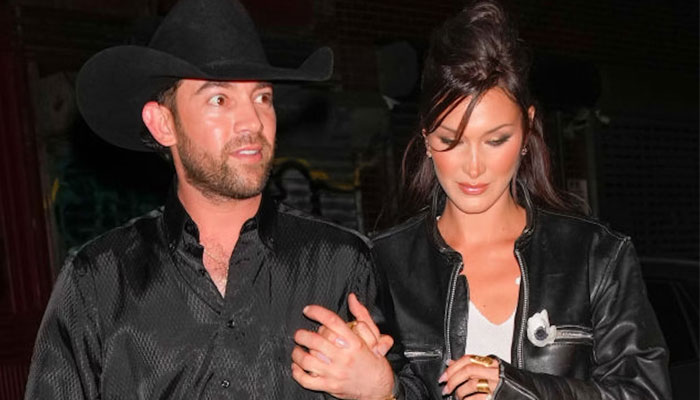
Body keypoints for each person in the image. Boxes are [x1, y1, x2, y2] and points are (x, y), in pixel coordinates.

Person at [293, 1, 672, 399]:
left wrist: (513, 388)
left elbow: (645, 392)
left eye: (496, 140)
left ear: (527, 130)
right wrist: (379, 390)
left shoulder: (595, 257)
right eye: (451, 140)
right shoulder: (382, 264)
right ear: (425, 137)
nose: (473, 167)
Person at [24, 0, 394, 398]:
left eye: (262, 98)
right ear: (163, 123)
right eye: (219, 99)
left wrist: (383, 391)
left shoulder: (342, 262)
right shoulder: (98, 281)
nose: (252, 121)